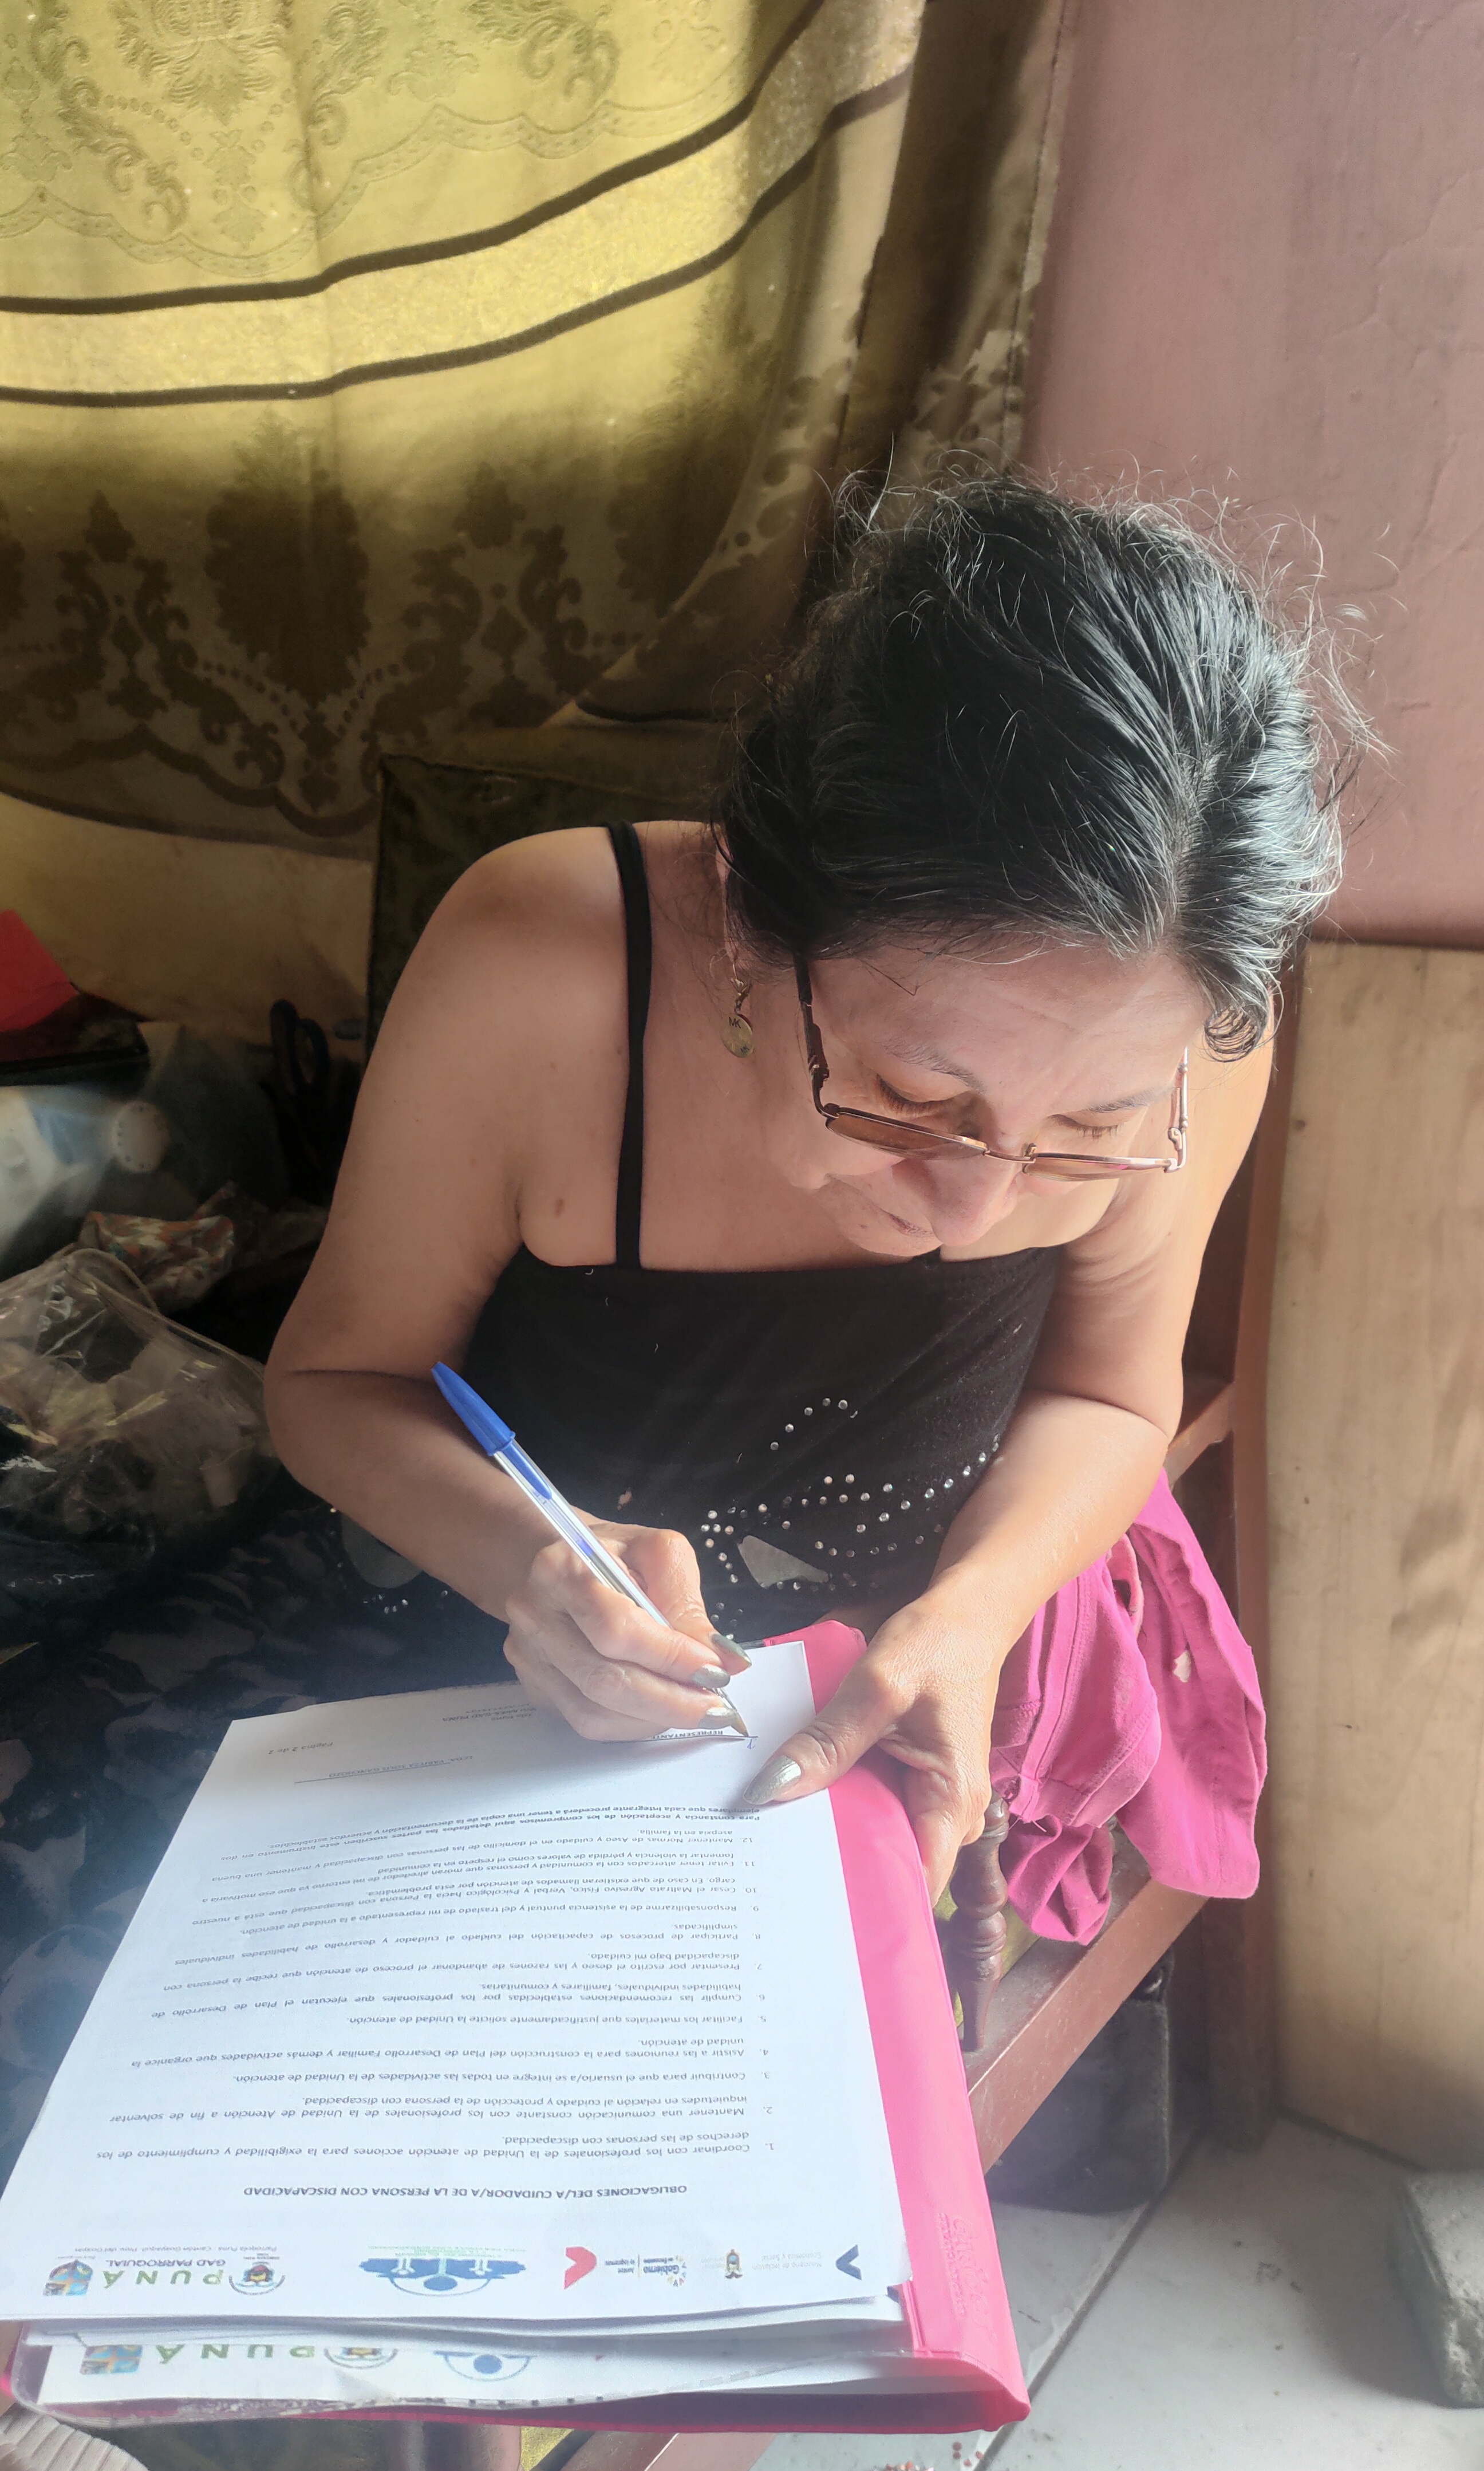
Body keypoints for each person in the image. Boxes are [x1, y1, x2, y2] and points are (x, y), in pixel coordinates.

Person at [265, 474, 1349, 1899]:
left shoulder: (1198, 1031)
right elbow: (334, 1384)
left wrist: (969, 1618)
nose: (973, 1211)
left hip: (923, 1668)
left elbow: (1112, 1396)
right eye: (913, 1099)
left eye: (1088, 1128)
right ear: (748, 938)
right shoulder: (541, 967)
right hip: (497, 1674)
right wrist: (530, 1563)